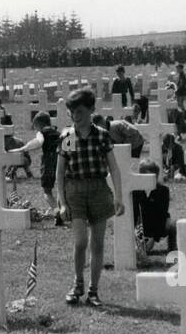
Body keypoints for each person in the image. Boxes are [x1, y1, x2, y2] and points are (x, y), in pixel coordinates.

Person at [56, 87, 124, 307]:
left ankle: (94, 290)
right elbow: (60, 171)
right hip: (75, 191)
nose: (77, 116)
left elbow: (114, 168)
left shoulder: (101, 136)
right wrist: (62, 202)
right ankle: (77, 284)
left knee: (97, 243)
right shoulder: (68, 137)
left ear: (91, 110)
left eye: (81, 111)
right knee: (80, 242)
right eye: (73, 112)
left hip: (98, 190)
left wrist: (118, 197)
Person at [17, 110, 64, 220]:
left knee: (47, 191)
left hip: (49, 160)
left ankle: (57, 211)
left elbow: (38, 142)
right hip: (62, 159)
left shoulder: (41, 132)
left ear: (38, 124)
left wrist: (24, 148)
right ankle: (62, 209)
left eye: (35, 126)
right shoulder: (58, 132)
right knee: (61, 187)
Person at [131, 160, 176, 253]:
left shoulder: (163, 191)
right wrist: (136, 235)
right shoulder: (135, 191)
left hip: (158, 224)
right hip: (141, 226)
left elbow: (162, 215)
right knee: (141, 251)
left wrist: (154, 238)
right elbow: (134, 214)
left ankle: (172, 248)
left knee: (172, 225)